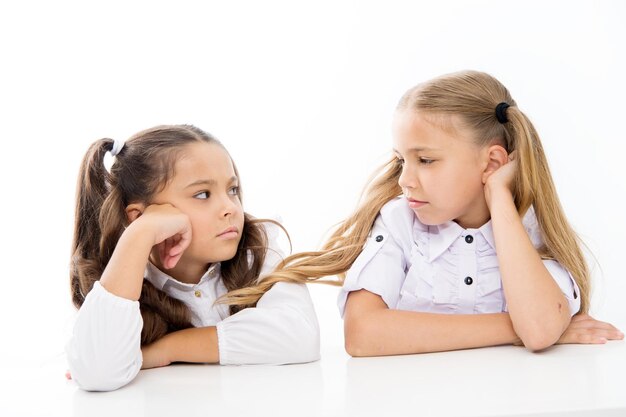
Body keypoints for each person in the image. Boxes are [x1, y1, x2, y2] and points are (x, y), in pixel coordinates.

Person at [245, 70, 622, 356]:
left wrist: (500, 198)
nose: (405, 180)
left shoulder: (530, 231)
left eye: (425, 160)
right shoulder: (398, 222)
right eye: (401, 160)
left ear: (492, 162)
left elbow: (538, 329)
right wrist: (514, 328)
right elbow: (362, 334)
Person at [66, 125, 320, 391]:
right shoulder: (120, 279)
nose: (230, 208)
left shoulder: (258, 249)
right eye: (202, 194)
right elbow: (98, 374)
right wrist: (139, 235)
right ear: (141, 216)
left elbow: (301, 335)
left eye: (232, 190)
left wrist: (167, 349)